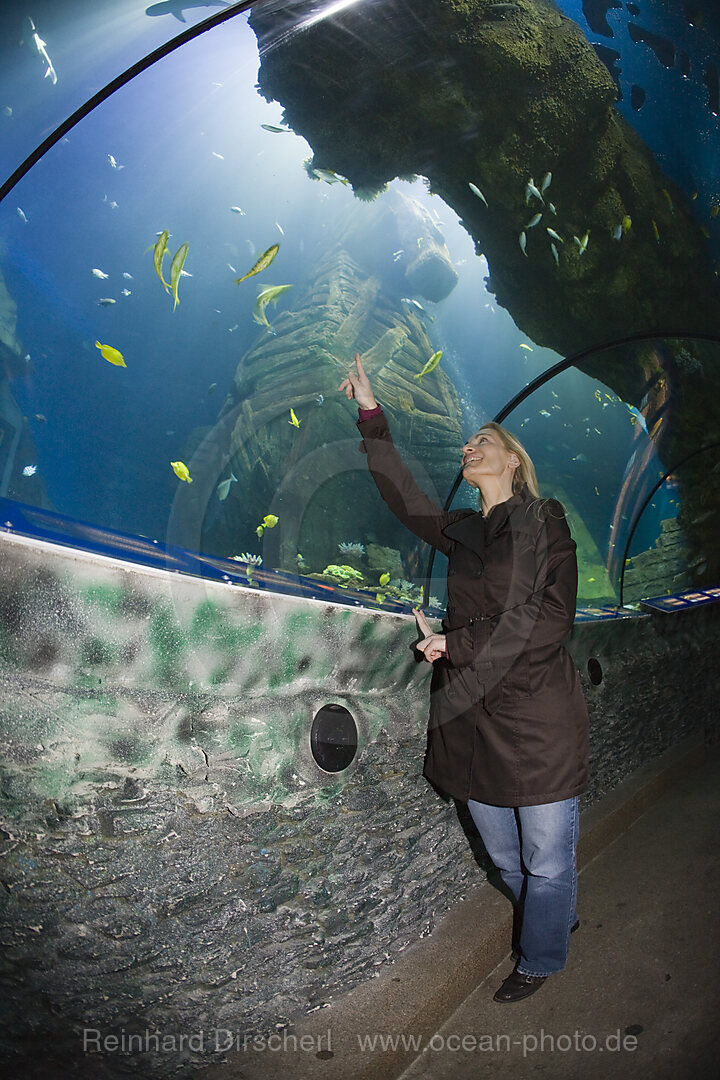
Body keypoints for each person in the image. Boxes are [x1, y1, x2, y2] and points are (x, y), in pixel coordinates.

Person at [338, 354, 590, 1004]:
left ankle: (541, 955)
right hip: (472, 722)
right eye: (467, 442)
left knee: (547, 860)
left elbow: (551, 616)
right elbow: (404, 495)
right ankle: (552, 914)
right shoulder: (464, 531)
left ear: (513, 461)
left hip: (537, 720)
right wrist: (370, 412)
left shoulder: (545, 520)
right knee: (507, 860)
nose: (469, 445)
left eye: (485, 440)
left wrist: (458, 641)